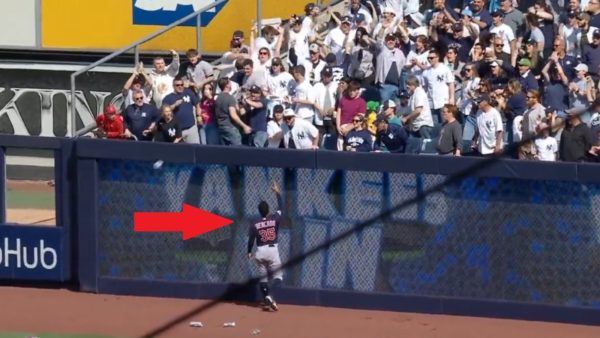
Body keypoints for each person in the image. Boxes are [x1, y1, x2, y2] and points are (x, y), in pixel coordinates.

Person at [247, 182, 284, 312]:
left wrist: (249, 252)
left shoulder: (255, 224)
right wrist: (277, 193)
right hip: (272, 250)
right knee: (278, 277)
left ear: (259, 211)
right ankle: (269, 296)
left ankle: (268, 300)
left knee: (263, 278)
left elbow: (251, 239)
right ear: (268, 211)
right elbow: (281, 207)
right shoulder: (274, 219)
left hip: (260, 251)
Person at [162, 77, 201, 144]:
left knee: (195, 150)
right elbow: (164, 112)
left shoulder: (188, 92)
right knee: (179, 153)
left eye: (181, 84)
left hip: (191, 128)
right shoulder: (168, 98)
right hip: (177, 131)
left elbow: (197, 103)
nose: (180, 86)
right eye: (177, 85)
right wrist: (174, 105)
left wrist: (198, 116)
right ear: (173, 86)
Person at [215, 78, 251, 146]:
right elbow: (233, 115)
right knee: (237, 149)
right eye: (230, 83)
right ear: (227, 85)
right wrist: (244, 126)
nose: (231, 85)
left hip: (221, 127)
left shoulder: (218, 98)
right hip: (230, 126)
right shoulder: (229, 98)